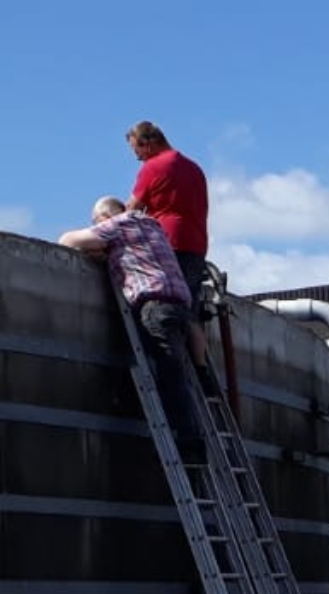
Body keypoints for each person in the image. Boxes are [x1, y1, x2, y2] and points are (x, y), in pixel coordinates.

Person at [59, 198, 205, 460]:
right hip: (180, 306)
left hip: (154, 305)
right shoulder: (153, 227)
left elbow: (68, 241)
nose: (96, 225)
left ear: (105, 216)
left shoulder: (120, 223)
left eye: (96, 221)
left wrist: (98, 243)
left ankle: (190, 443)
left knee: (169, 376)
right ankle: (194, 427)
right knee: (177, 372)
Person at [126, 120, 209, 365]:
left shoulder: (153, 167)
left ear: (149, 144)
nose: (138, 158)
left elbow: (131, 210)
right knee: (189, 313)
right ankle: (201, 367)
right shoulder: (194, 168)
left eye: (137, 151)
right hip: (196, 246)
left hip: (167, 245)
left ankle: (173, 367)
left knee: (162, 313)